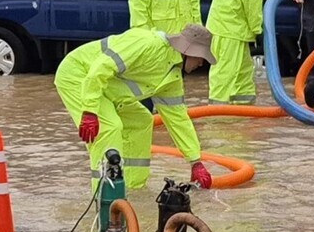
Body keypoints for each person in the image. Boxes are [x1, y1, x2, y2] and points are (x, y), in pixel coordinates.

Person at [55, 24, 216, 190]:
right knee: (109, 127)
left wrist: (195, 162)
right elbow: (100, 68)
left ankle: (133, 188)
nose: (201, 63)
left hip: (105, 90)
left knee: (142, 121)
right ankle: (105, 194)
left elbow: (178, 120)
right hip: (78, 76)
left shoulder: (172, 76)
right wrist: (90, 110)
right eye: (201, 58)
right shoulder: (146, 44)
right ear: (190, 51)